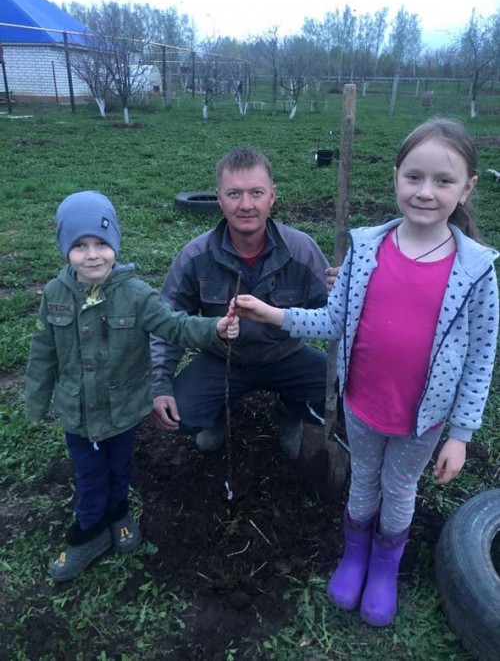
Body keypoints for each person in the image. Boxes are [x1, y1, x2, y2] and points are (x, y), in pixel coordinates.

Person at [232, 118, 499, 626]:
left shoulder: (476, 271)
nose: (425, 192)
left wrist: (461, 434)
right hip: (361, 405)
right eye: (414, 176)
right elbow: (334, 320)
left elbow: (481, 356)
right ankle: (354, 555)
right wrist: (273, 314)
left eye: (443, 181)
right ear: (396, 177)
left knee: (398, 492)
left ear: (466, 188)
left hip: (422, 420)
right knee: (362, 483)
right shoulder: (367, 248)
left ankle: (384, 566)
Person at [25, 191, 238, 582]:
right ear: (64, 248)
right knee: (90, 475)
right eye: (80, 246)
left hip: (123, 410)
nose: (93, 255)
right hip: (78, 414)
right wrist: (36, 402)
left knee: (120, 467)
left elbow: (175, 325)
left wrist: (215, 329)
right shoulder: (55, 295)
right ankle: (89, 531)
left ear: (116, 244)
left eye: (101, 243)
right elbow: (43, 352)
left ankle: (119, 512)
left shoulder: (137, 295)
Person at [150, 147, 332, 459]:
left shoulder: (302, 250)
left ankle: (289, 409)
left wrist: (353, 288)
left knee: (344, 391)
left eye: (256, 193)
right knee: (179, 413)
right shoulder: (195, 256)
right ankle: (215, 413)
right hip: (223, 360)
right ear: (219, 198)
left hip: (287, 357)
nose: (246, 205)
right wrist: (160, 385)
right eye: (234, 194)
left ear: (272, 196)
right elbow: (166, 324)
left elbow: (336, 315)